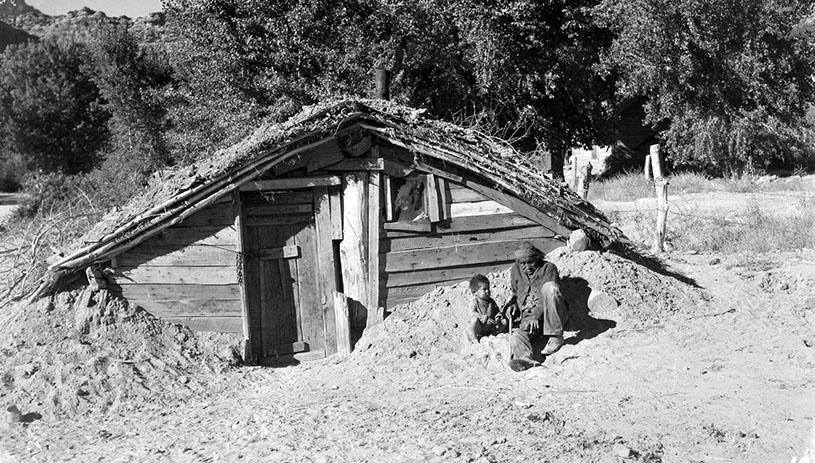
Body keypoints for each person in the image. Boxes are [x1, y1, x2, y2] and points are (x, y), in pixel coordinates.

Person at [505, 242, 569, 372]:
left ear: (537, 257)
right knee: (517, 335)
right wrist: (511, 306)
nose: (526, 267)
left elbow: (550, 294)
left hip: (550, 314)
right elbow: (515, 294)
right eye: (522, 263)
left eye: (530, 262)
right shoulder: (515, 270)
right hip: (529, 320)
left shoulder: (548, 268)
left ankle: (556, 336)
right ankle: (526, 360)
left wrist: (536, 315)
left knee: (550, 287)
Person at [466, 274, 507, 343]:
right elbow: (471, 313)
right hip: (480, 327)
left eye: (488, 288)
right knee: (474, 320)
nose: (487, 291)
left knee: (505, 322)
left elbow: (497, 312)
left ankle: (493, 334)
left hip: (490, 326)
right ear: (474, 292)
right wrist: (481, 317)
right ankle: (473, 338)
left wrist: (497, 318)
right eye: (484, 289)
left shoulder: (491, 301)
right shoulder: (474, 302)